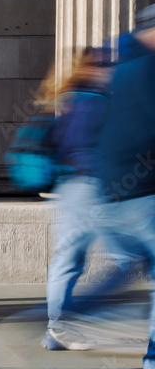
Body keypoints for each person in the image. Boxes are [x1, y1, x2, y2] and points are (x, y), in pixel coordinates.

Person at [91, 4, 155, 369]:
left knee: (130, 266)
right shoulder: (146, 70)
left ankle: (78, 310)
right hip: (141, 191)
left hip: (112, 192)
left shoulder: (118, 68)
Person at [38, 48, 118, 350]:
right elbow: (95, 149)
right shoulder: (97, 103)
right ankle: (60, 322)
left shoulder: (73, 101)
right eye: (106, 66)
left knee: (70, 258)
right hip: (89, 187)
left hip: (73, 186)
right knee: (122, 258)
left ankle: (57, 328)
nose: (111, 71)